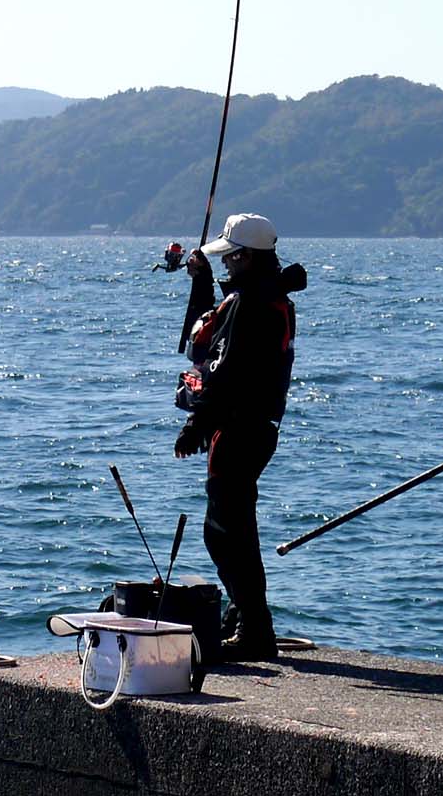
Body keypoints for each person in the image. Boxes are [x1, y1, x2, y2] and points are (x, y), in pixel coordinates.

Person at [172, 212, 306, 660]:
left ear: (247, 257)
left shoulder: (250, 304)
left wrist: (195, 426)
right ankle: (245, 617)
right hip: (256, 428)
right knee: (233, 529)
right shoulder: (270, 298)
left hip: (238, 429)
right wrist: (201, 283)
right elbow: (212, 342)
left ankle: (255, 629)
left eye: (230, 257)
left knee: (225, 533)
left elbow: (224, 372)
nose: (226, 263)